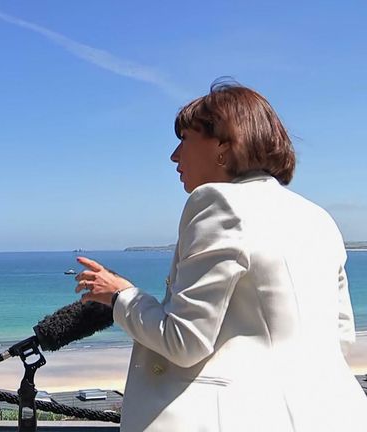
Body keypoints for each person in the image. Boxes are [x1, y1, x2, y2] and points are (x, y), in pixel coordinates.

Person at [74, 80, 367, 431]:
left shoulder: (217, 202)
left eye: (185, 139)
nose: (174, 155)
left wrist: (120, 295)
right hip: (335, 414)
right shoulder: (318, 218)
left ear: (224, 146)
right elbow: (342, 338)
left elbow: (184, 340)